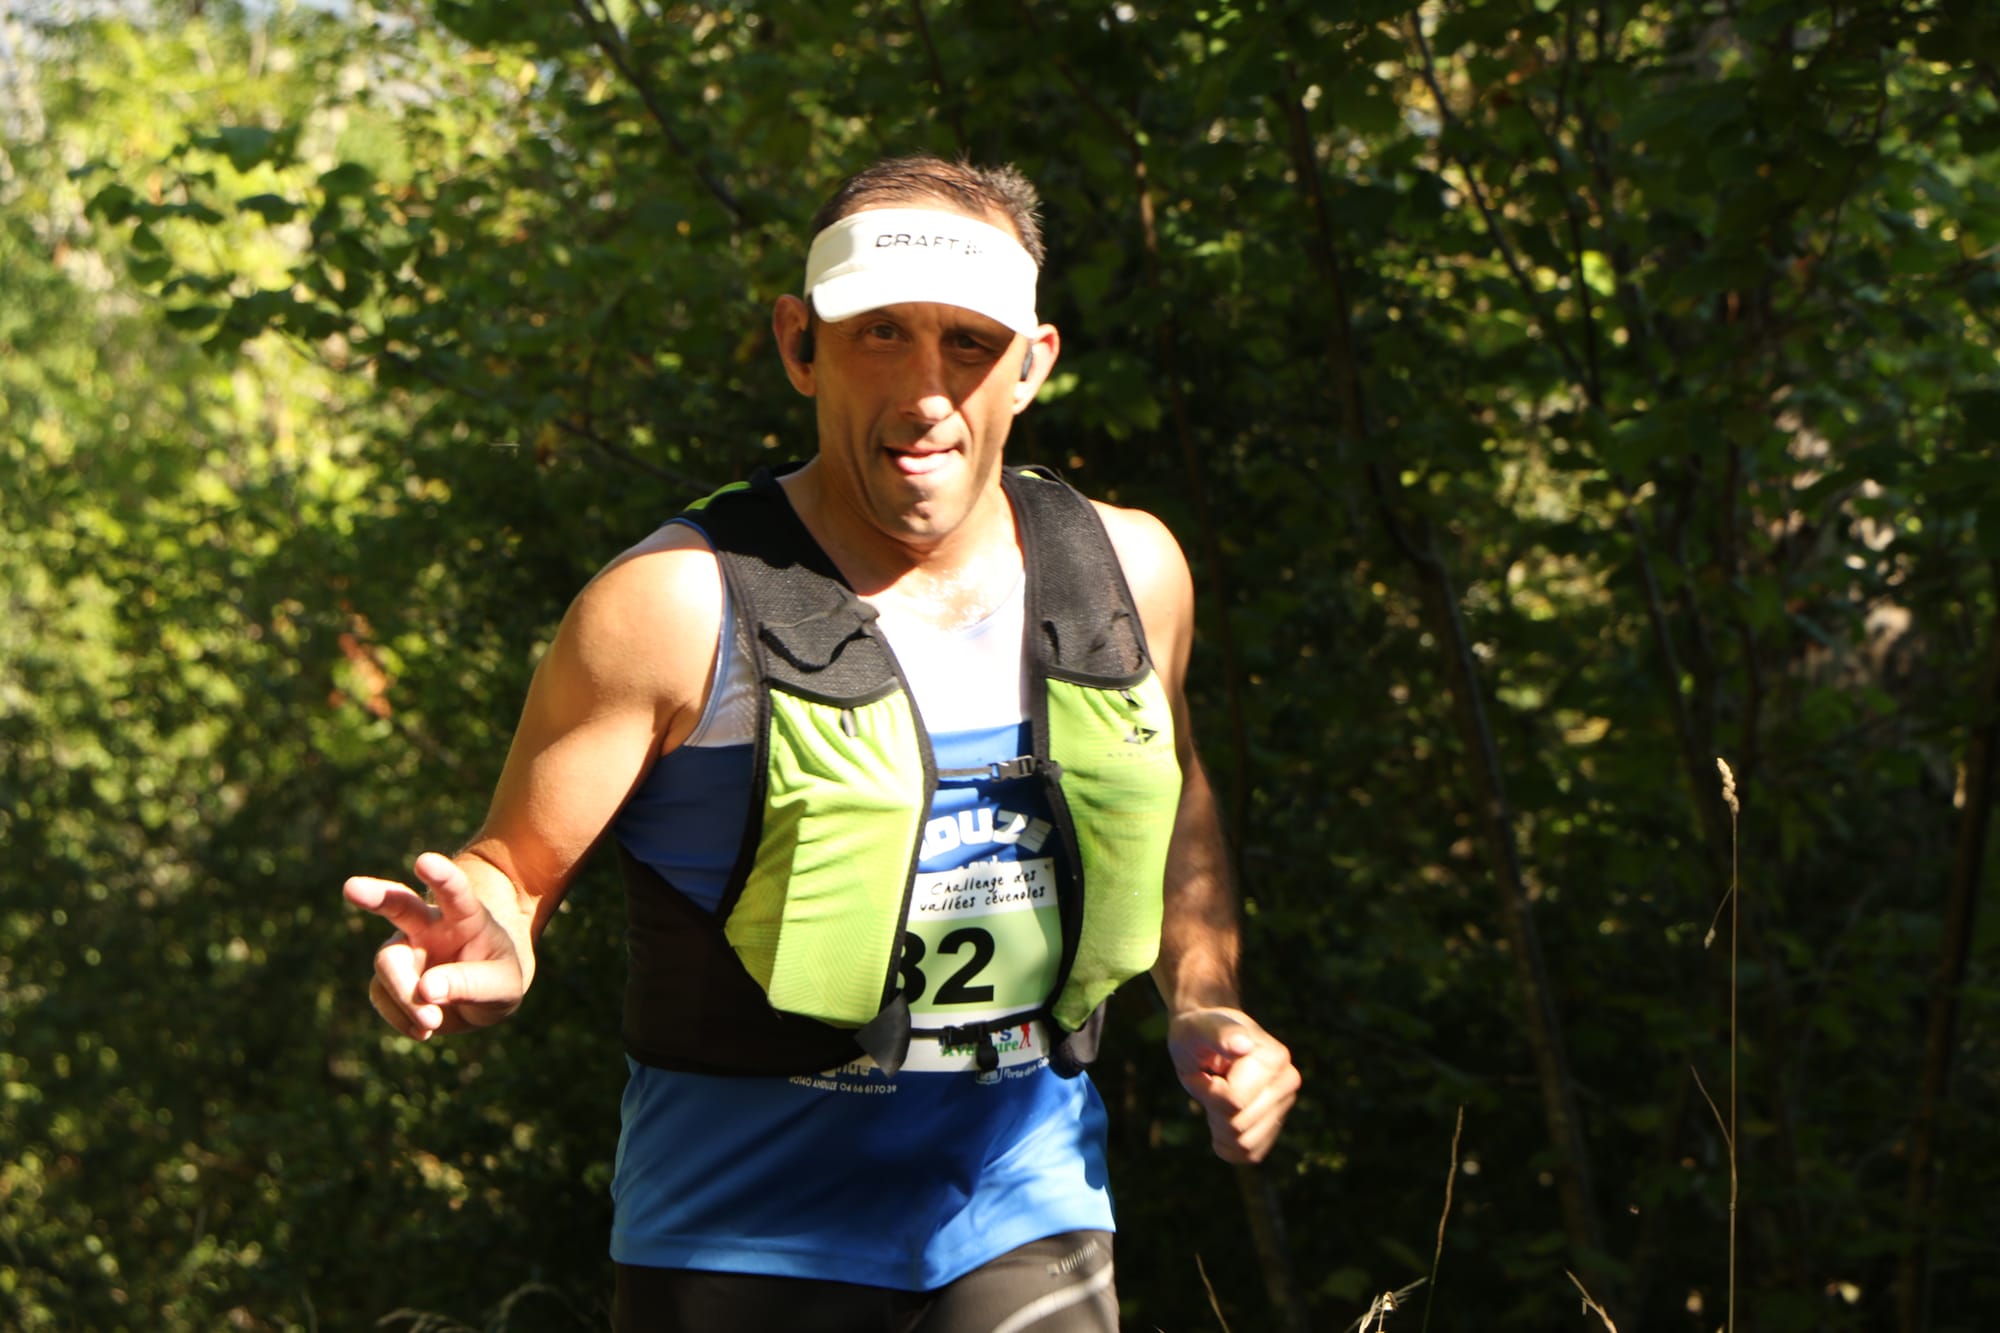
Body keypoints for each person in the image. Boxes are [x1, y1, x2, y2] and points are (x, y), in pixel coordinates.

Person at [344, 154, 1300, 1332]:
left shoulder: (1127, 572)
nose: (925, 393)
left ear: (1032, 364)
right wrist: (485, 940)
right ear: (799, 345)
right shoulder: (673, 604)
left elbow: (1167, 790)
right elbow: (514, 869)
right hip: (738, 1241)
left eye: (969, 344)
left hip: (1026, 1204)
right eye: (880, 334)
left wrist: (1205, 997)